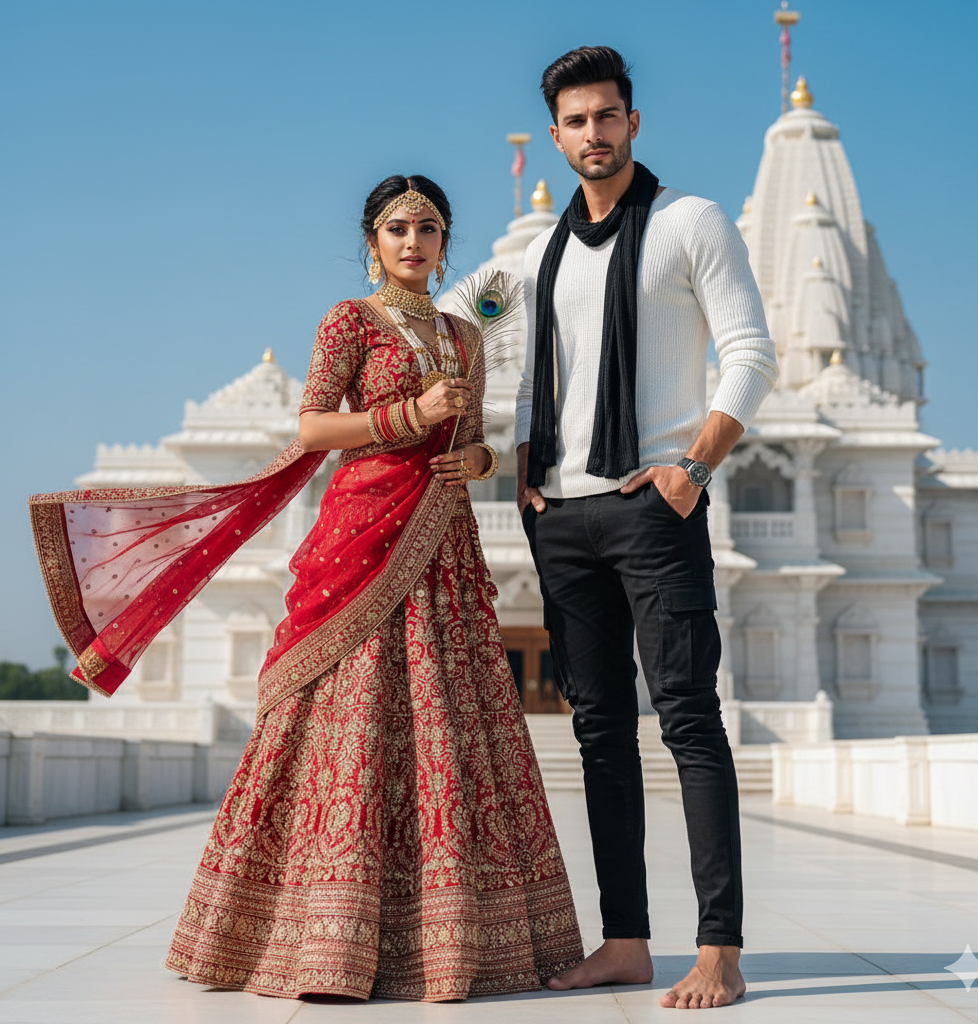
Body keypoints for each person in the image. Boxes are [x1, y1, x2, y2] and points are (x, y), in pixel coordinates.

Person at [29, 174, 583, 1002]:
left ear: (444, 244)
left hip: (443, 538)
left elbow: (472, 441)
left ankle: (460, 943)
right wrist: (406, 415)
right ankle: (309, 936)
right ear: (372, 241)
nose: (412, 241)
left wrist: (480, 459)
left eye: (429, 228)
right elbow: (314, 427)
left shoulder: (469, 337)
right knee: (339, 707)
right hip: (363, 529)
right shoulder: (349, 321)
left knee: (450, 714)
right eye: (396, 227)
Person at [515, 48, 779, 1009]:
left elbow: (750, 352)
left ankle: (720, 948)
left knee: (689, 720)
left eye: (608, 116)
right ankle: (625, 940)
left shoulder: (689, 222)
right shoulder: (532, 257)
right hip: (562, 514)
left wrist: (693, 467)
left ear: (635, 122)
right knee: (598, 735)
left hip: (653, 505)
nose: (594, 134)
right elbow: (462, 334)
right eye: (577, 121)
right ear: (557, 136)